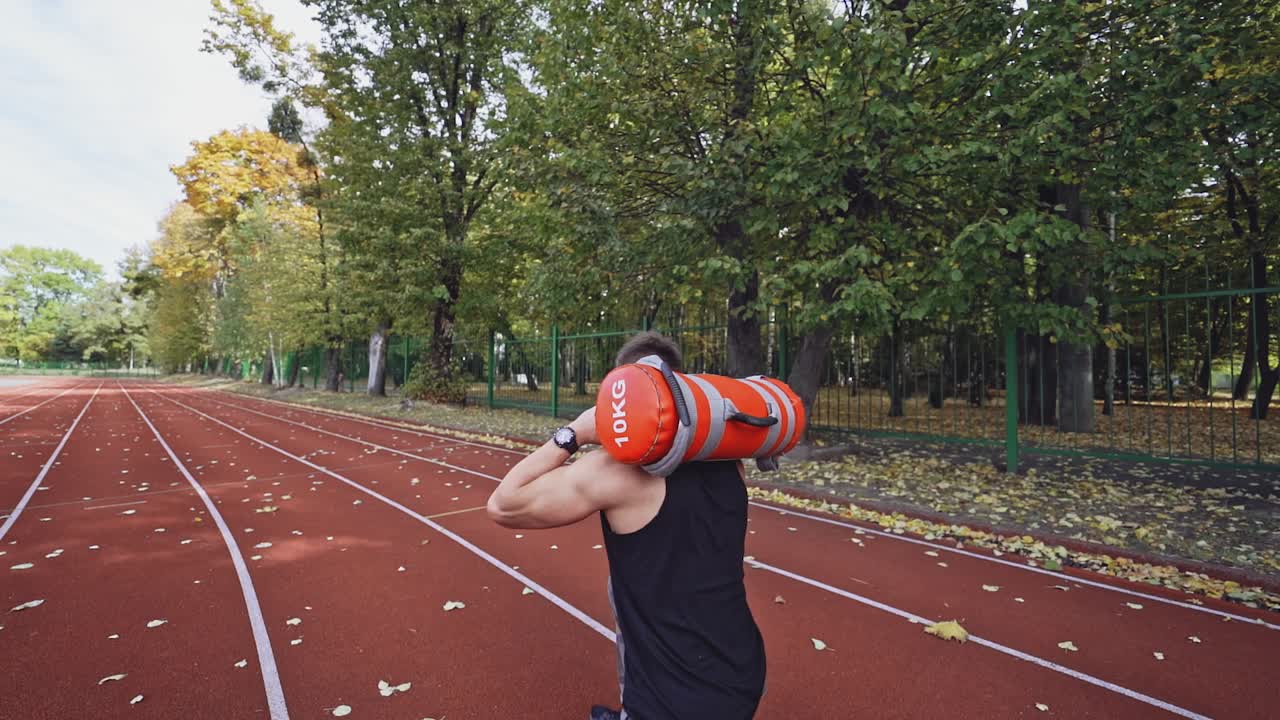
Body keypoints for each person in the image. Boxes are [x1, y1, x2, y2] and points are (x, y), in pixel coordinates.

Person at [486, 331, 766, 720]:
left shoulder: (616, 472)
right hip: (742, 669)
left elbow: (503, 505)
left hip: (671, 700)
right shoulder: (729, 459)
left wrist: (576, 433)